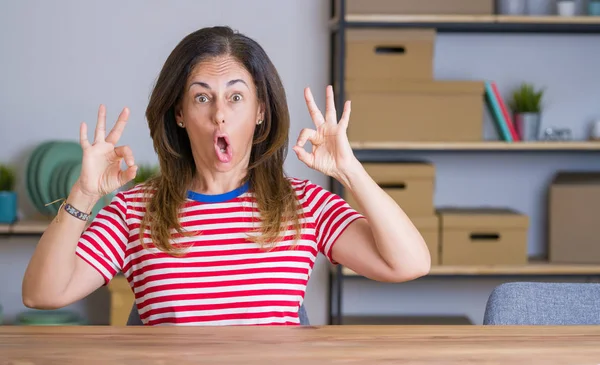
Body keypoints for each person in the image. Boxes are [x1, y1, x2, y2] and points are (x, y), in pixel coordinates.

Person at [22, 26, 430, 326]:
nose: (219, 113)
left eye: (236, 97)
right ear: (179, 114)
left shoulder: (304, 204)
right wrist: (84, 193)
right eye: (202, 97)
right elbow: (42, 293)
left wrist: (350, 171)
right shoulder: (134, 210)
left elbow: (409, 264)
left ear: (260, 112)